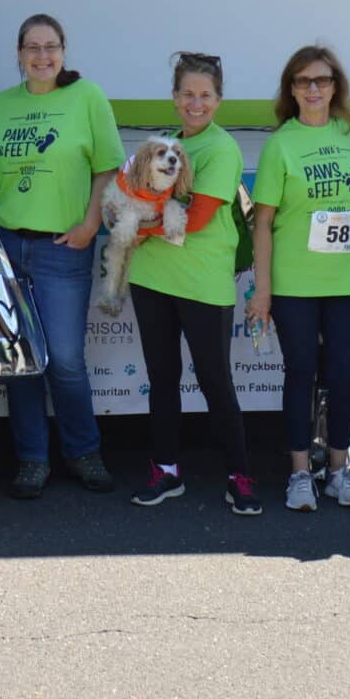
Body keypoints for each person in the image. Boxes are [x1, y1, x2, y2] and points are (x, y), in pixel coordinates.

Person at [0, 13, 124, 500]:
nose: (42, 56)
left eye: (51, 46)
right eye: (32, 48)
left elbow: (107, 169)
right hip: (8, 246)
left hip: (65, 246)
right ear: (18, 54)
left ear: (63, 51)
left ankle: (84, 452)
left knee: (63, 359)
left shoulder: (87, 98)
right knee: (21, 360)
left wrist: (90, 224)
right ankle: (32, 460)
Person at [126, 51, 259, 515]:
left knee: (215, 381)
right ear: (174, 97)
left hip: (203, 283)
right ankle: (165, 471)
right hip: (150, 279)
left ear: (219, 100)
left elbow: (198, 218)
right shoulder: (157, 149)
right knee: (162, 379)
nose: (195, 103)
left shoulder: (221, 149)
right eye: (187, 94)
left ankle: (238, 474)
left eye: (205, 95)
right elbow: (125, 199)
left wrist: (136, 228)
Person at [247, 45, 350, 512]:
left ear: (336, 86)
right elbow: (262, 222)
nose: (313, 89)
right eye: (303, 81)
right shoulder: (281, 144)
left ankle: (339, 470)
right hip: (294, 283)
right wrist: (263, 290)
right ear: (291, 90)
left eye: (321, 80)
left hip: (346, 281)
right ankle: (300, 474)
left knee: (342, 376)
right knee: (300, 373)